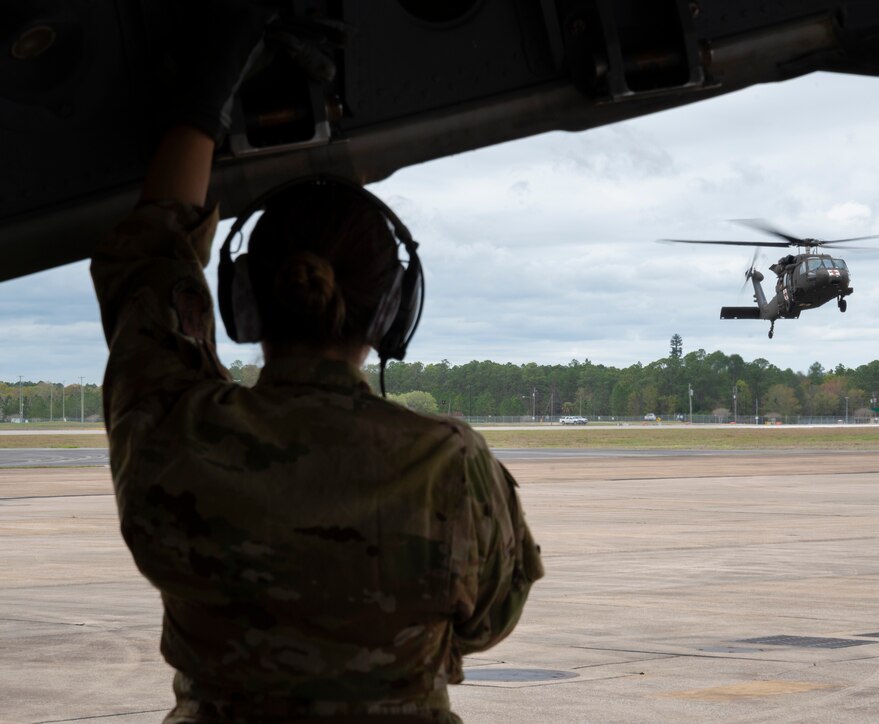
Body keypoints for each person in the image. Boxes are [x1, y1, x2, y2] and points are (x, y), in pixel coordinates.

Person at [90, 9, 542, 722]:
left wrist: (206, 88)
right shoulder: (449, 464)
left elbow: (148, 268)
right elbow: (487, 622)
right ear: (391, 312)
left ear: (246, 303)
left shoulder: (182, 436)